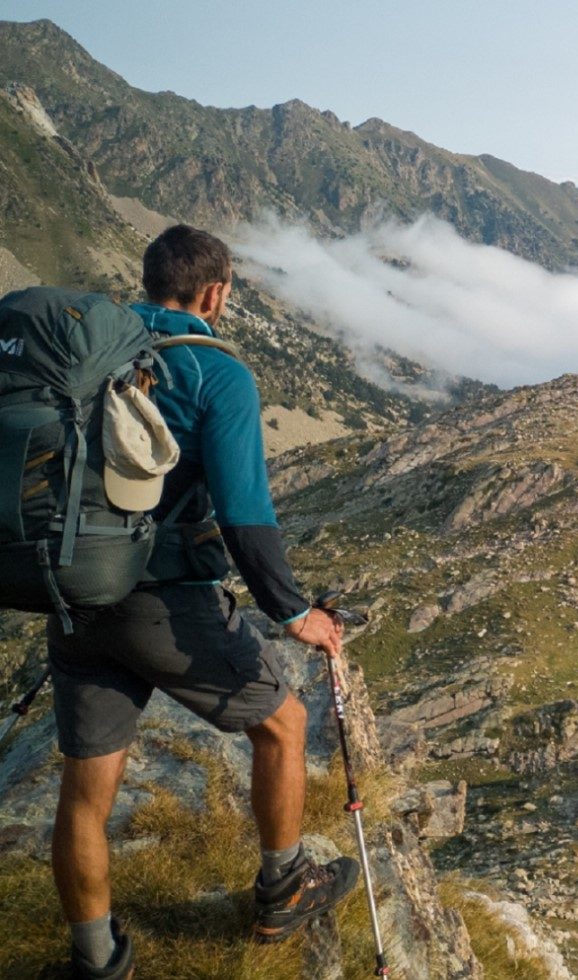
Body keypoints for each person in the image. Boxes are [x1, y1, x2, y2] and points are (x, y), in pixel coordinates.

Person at [48, 226, 357, 978]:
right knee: (283, 725)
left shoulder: (90, 351)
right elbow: (245, 514)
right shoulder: (214, 372)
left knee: (86, 789)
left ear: (148, 280)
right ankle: (283, 888)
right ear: (215, 294)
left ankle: (96, 959)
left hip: (73, 592)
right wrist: (294, 614)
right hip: (163, 599)